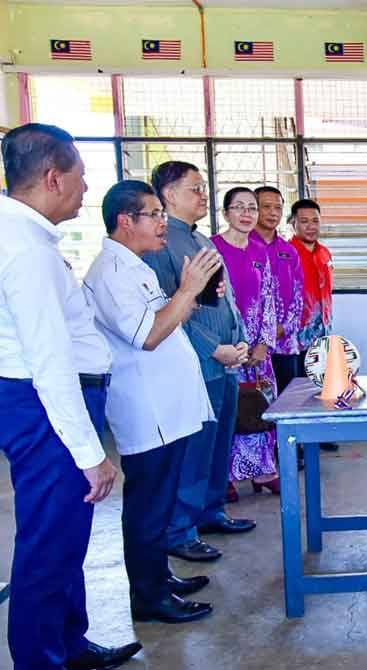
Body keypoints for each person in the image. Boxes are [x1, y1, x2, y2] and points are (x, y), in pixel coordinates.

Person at [0, 123, 140, 670]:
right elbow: (48, 360)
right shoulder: (25, 248)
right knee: (48, 544)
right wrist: (90, 454)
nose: (86, 192)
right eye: (81, 179)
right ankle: (41, 659)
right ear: (54, 178)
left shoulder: (26, 236)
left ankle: (71, 645)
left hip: (48, 402)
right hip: (45, 407)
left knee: (65, 536)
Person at [84, 180, 218, 624]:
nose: (163, 223)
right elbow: (149, 334)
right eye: (154, 214)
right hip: (149, 412)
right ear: (126, 221)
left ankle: (159, 578)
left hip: (169, 408)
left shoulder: (135, 265)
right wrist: (186, 290)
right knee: (148, 508)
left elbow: (163, 318)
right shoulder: (111, 274)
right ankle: (148, 597)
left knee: (160, 504)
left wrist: (187, 295)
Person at [146, 162, 255, 563]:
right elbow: (171, 310)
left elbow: (224, 299)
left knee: (217, 442)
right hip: (197, 363)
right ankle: (181, 529)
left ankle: (211, 511)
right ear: (169, 195)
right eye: (195, 188)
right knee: (194, 448)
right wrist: (213, 349)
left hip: (225, 359)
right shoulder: (161, 244)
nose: (202, 195)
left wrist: (240, 339)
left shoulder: (200, 241)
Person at [213, 187, 280, 496]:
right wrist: (231, 346)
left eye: (251, 207)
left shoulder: (260, 252)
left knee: (260, 409)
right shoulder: (210, 249)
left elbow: (269, 298)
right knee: (227, 412)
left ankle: (263, 472)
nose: (246, 213)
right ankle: (222, 476)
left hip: (257, 352)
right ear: (226, 213)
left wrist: (264, 343)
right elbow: (205, 305)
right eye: (238, 207)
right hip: (225, 350)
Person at [289, 198, 338, 453]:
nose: (310, 226)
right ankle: (296, 443)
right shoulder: (286, 252)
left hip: (322, 330)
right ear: (293, 223)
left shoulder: (325, 252)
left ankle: (318, 435)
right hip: (294, 334)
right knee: (296, 388)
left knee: (320, 382)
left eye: (315, 221)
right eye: (304, 221)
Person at [252, 186, 303, 393]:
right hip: (251, 346)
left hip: (284, 342)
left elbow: (298, 296)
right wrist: (261, 336)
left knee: (287, 400)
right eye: (266, 207)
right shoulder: (241, 247)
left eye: (278, 208)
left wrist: (280, 329)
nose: (273, 212)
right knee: (254, 407)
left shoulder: (289, 251)